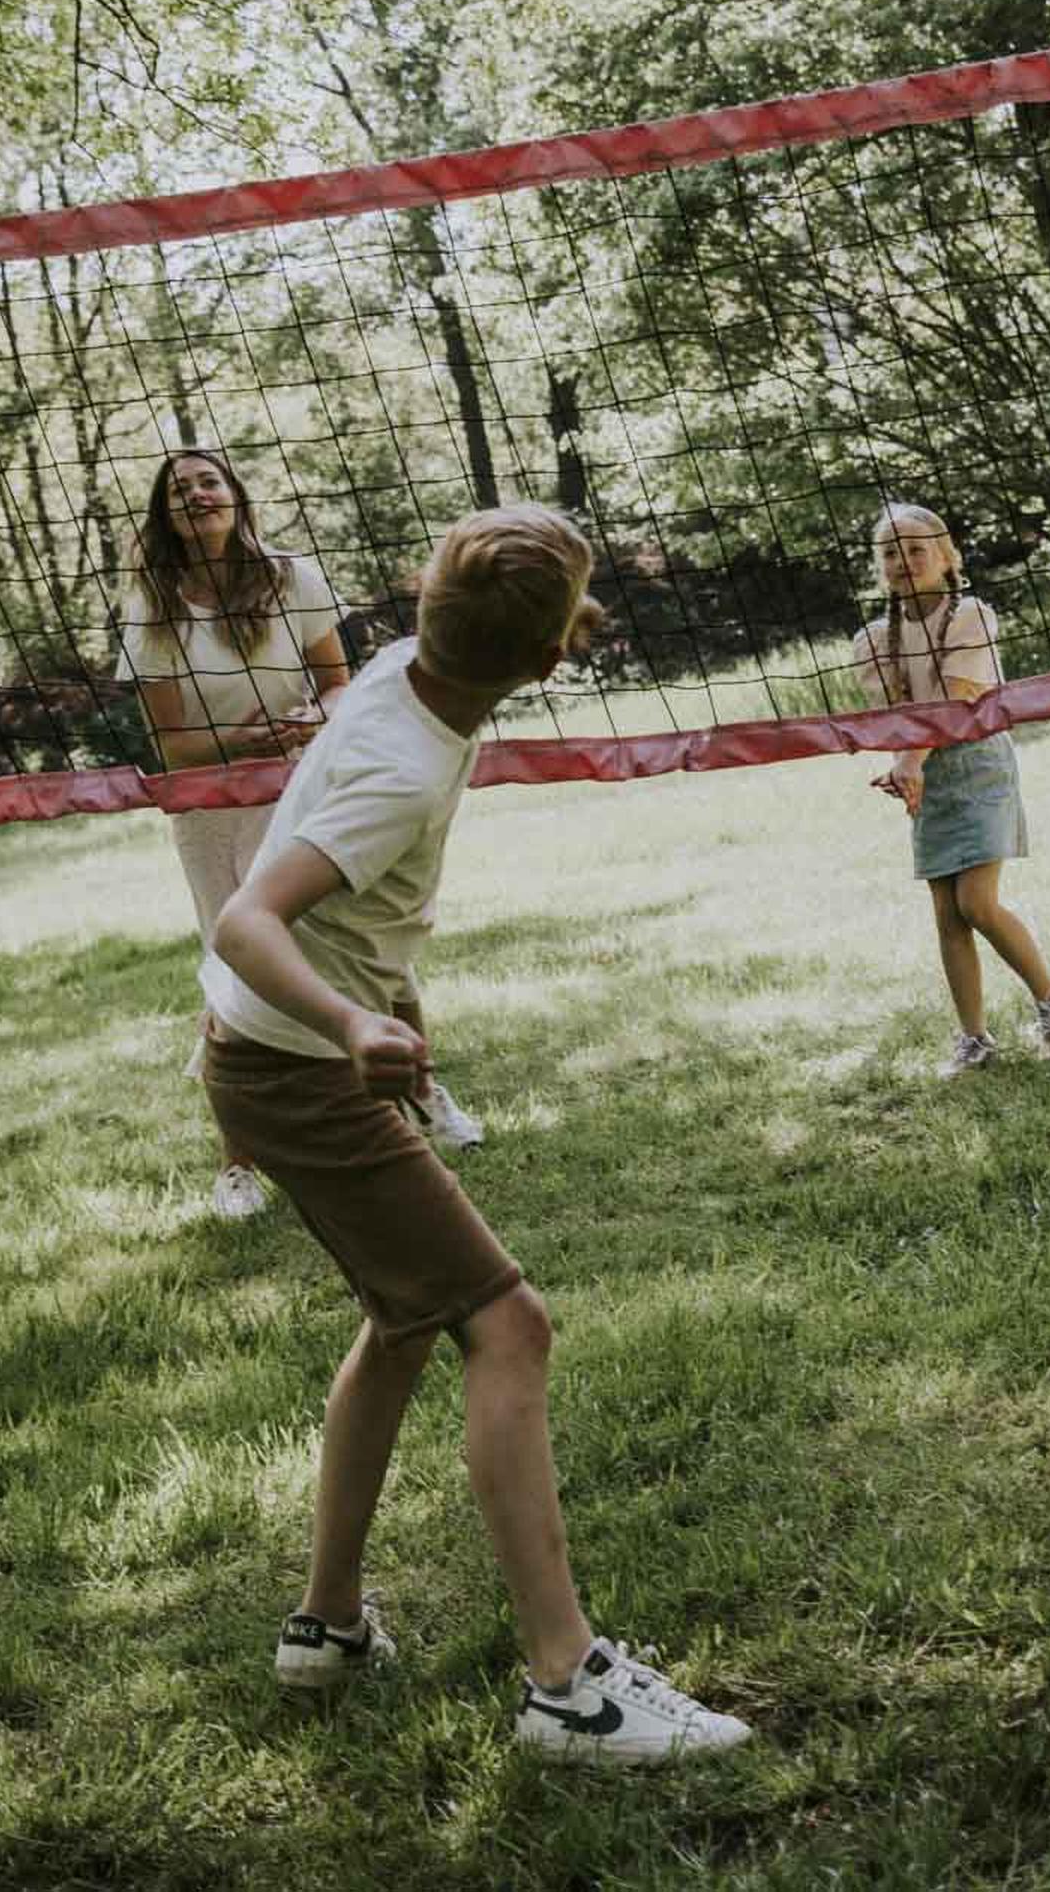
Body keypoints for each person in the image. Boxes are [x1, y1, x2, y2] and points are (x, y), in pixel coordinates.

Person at [204, 503, 753, 1762]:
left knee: (406, 1316)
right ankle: (566, 1683)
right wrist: (354, 1022)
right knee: (508, 1324)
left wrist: (391, 996)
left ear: (419, 606)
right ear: (556, 659)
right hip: (294, 1062)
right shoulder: (403, 760)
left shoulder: (404, 668)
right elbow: (248, 918)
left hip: (263, 1050)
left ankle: (327, 1623)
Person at [117, 450, 487, 1222]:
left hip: (306, 790)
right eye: (178, 489)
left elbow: (339, 688)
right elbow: (172, 747)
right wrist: (243, 746)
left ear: (235, 496)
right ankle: (238, 1165)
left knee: (369, 951)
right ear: (166, 517)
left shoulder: (292, 577)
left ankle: (422, 1095)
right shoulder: (152, 609)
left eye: (209, 480)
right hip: (213, 809)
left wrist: (312, 723)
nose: (196, 493)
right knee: (231, 968)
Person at [858, 501, 1050, 1076]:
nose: (903, 562)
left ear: (946, 557)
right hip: (925, 771)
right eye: (889, 553)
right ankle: (974, 1039)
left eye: (915, 550)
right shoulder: (875, 638)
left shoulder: (971, 614)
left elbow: (956, 700)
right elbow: (895, 715)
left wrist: (910, 760)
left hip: (978, 763)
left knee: (976, 902)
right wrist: (903, 764)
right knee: (947, 915)